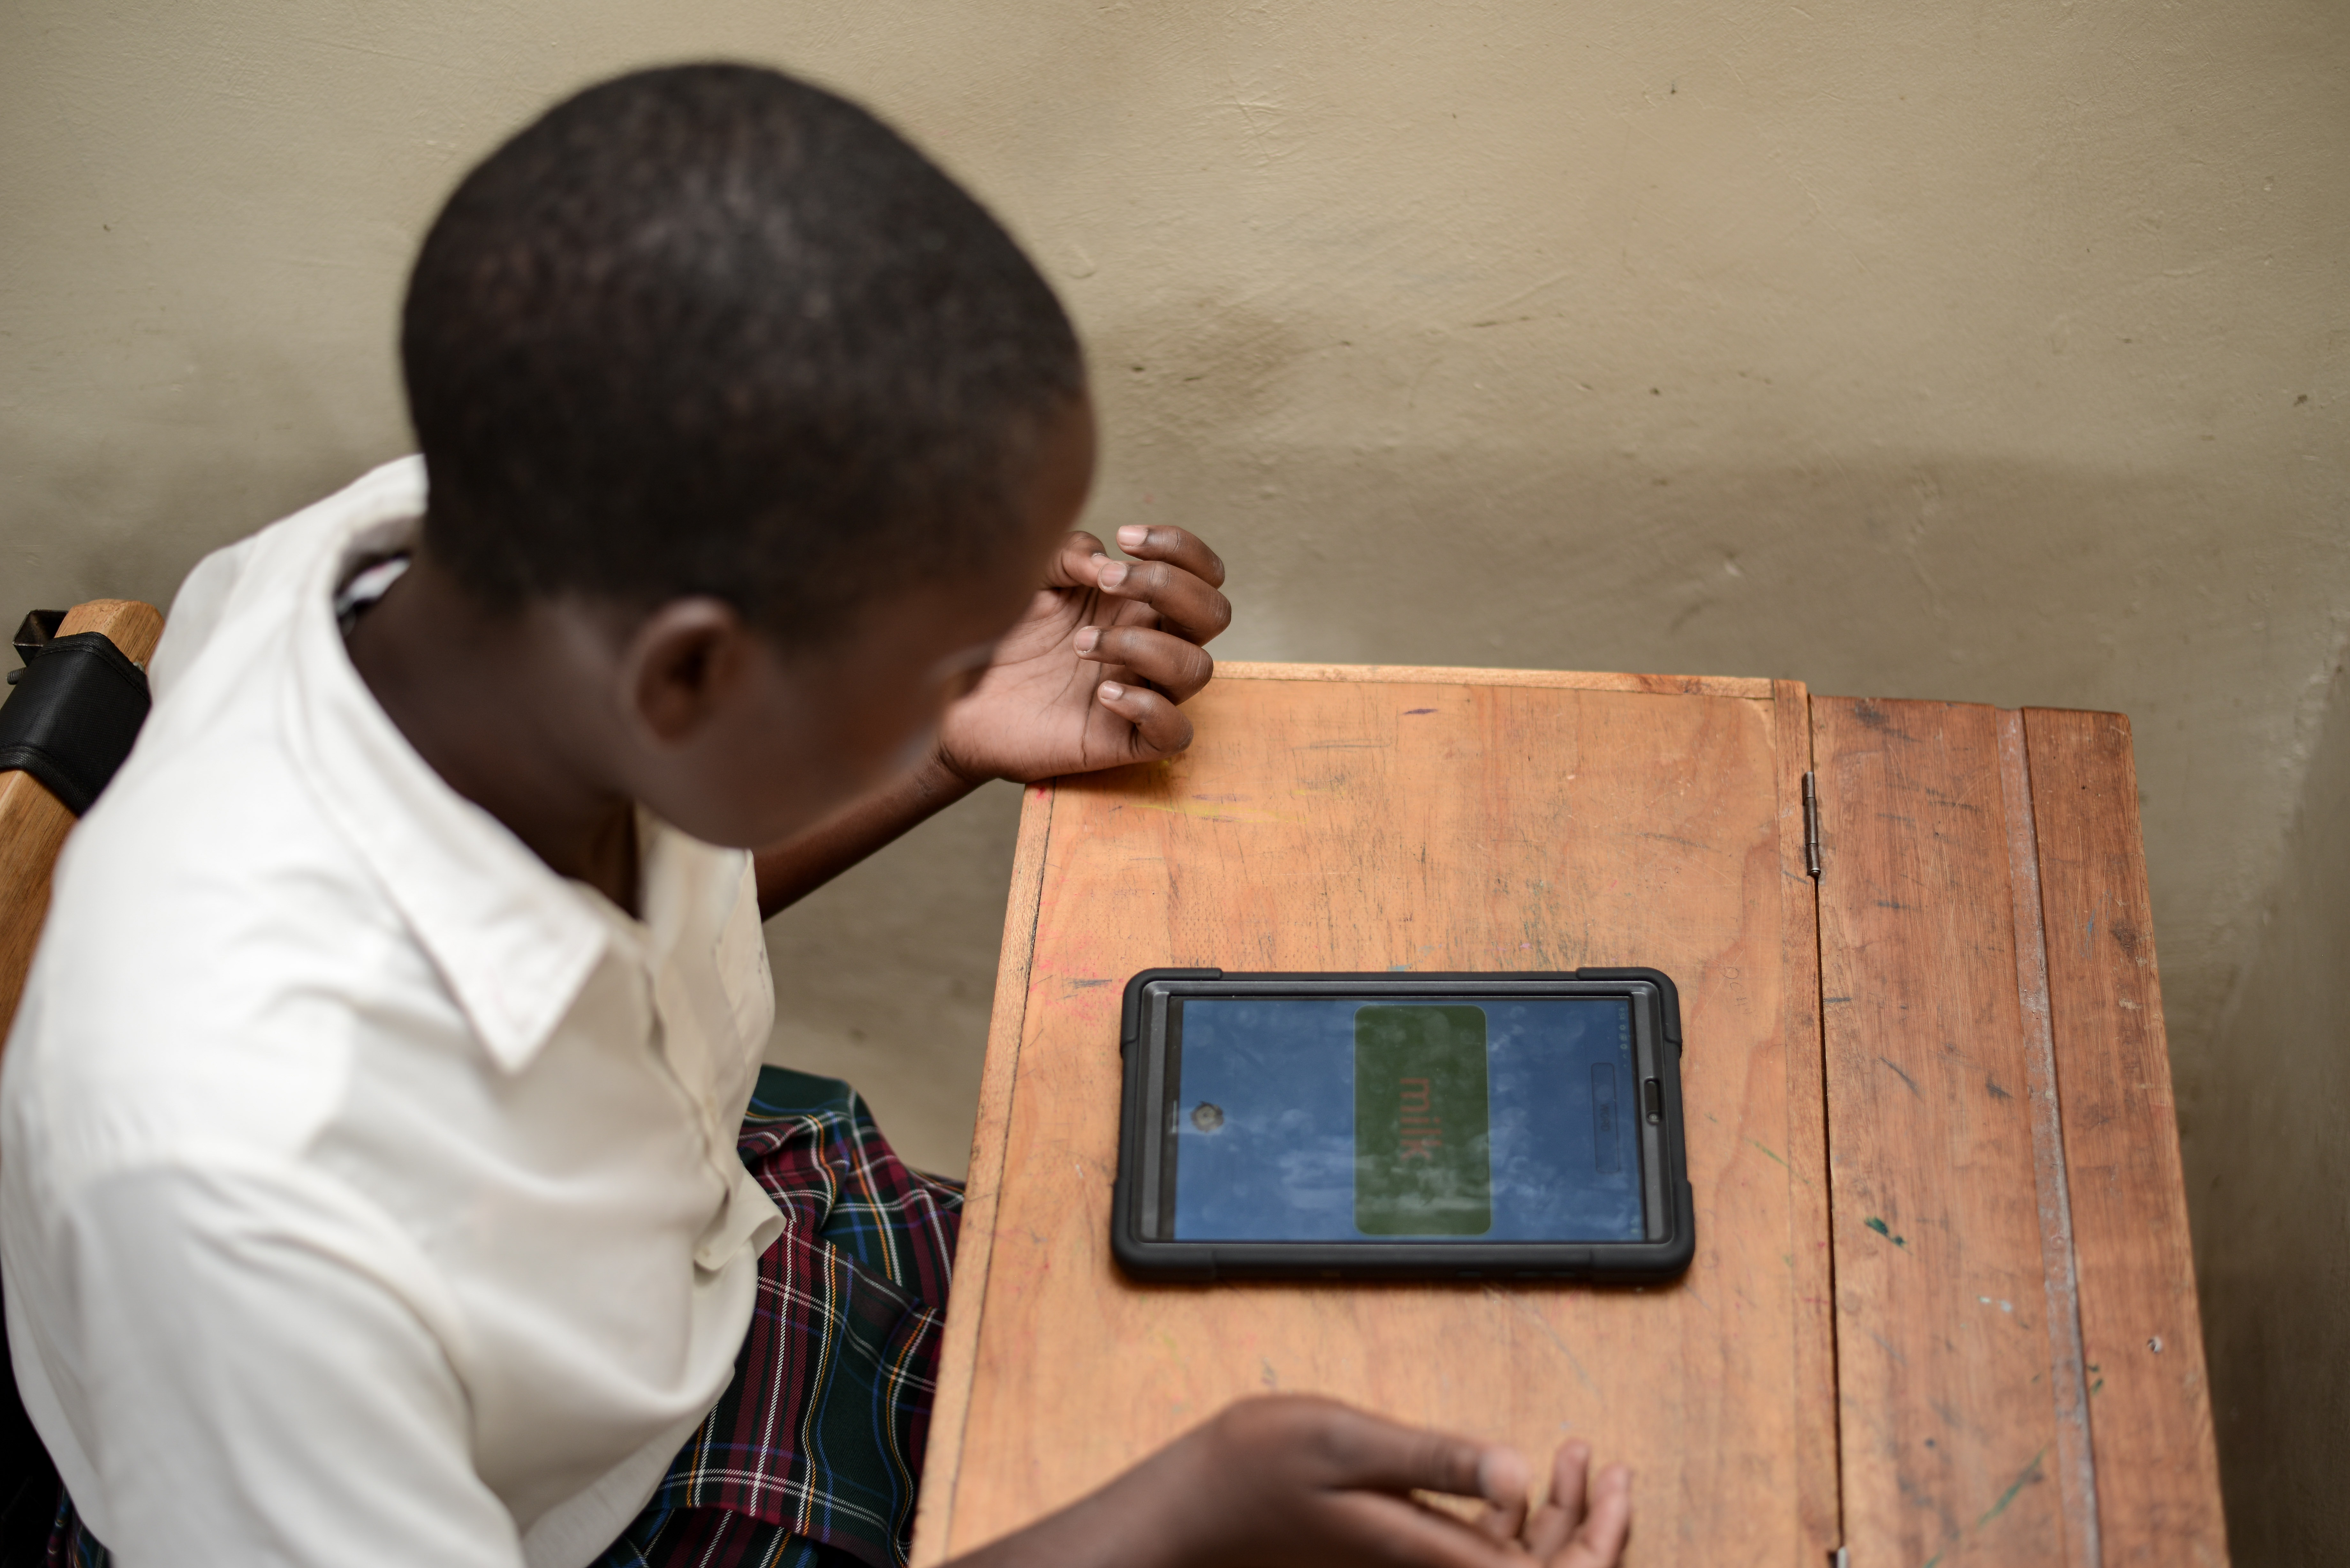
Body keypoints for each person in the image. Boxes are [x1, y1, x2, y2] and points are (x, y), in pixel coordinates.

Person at [0, 64, 1632, 1568]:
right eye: (943, 648)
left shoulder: (456, 574)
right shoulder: (231, 1183)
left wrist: (948, 739)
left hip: (712, 1248)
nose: (986, 655)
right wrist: (1178, 1519)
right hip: (552, 1511)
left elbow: (604, 959)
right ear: (692, 679)